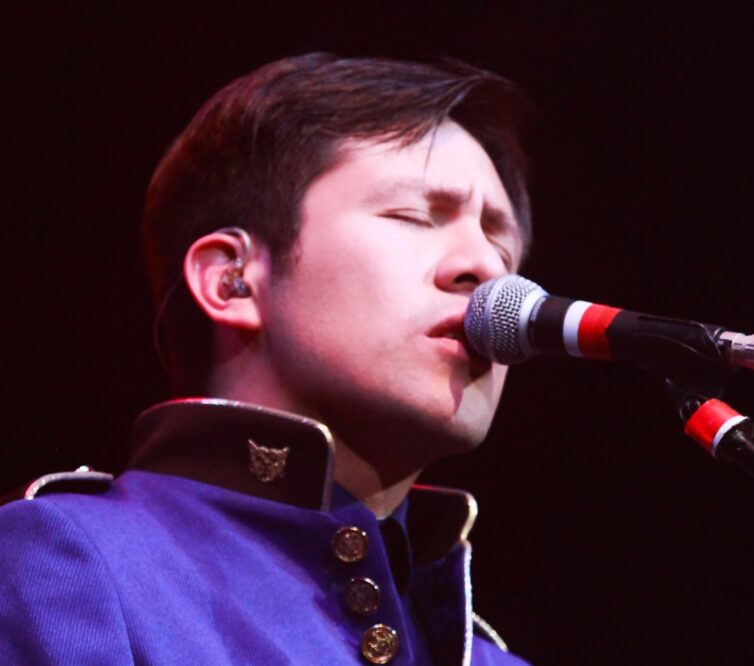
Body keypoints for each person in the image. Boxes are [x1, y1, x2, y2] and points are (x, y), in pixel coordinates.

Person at [0, 53, 532, 665]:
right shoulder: (72, 563)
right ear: (232, 281)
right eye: (415, 216)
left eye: (503, 248)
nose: (486, 268)